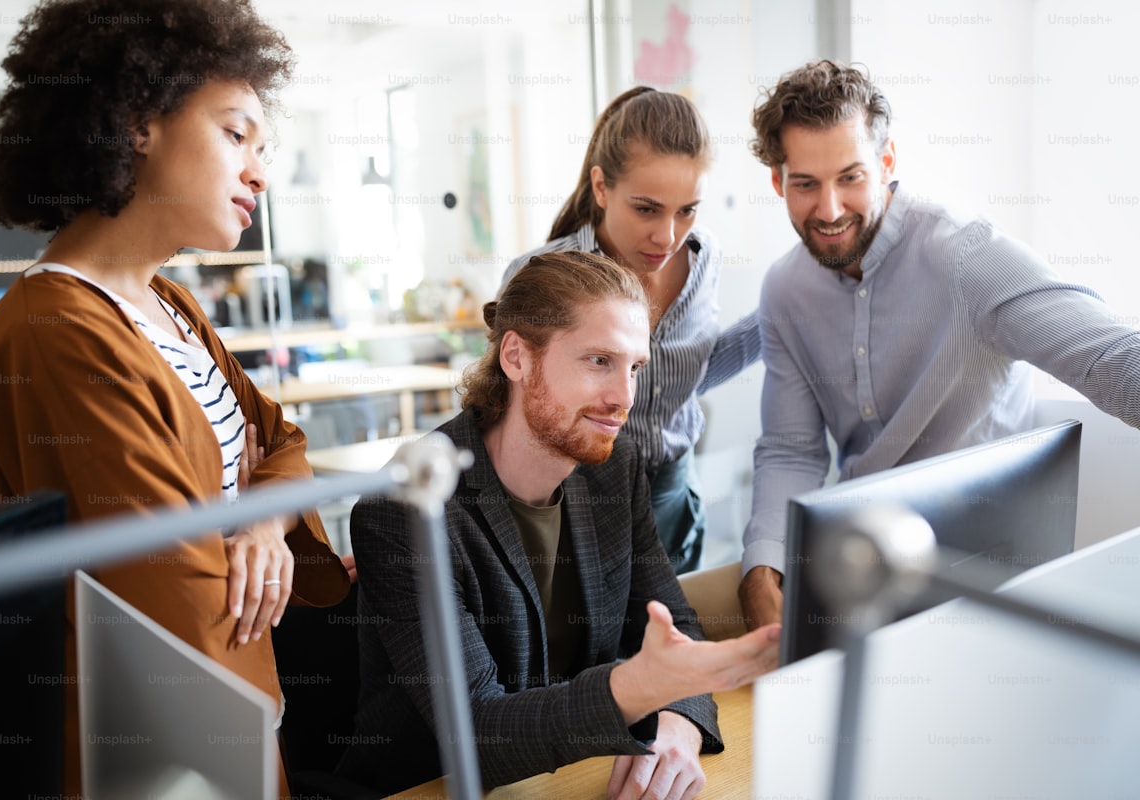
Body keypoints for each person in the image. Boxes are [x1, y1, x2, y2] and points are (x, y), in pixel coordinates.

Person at [0, 0, 350, 794]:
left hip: (227, 719)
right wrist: (241, 509)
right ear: (139, 120)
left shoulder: (169, 304)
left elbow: (281, 441)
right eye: (235, 133)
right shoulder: (55, 329)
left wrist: (266, 521)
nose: (258, 173)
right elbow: (172, 581)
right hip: (158, 750)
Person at [338, 251, 781, 797]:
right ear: (517, 357)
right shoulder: (407, 510)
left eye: (634, 366)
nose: (624, 397)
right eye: (599, 361)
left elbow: (680, 630)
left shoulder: (614, 473)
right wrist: (632, 691)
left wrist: (677, 724)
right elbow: (476, 736)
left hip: (569, 776)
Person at [738, 59, 1140, 629]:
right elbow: (790, 449)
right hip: (860, 576)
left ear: (887, 162)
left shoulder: (967, 257)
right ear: (778, 181)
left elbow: (1109, 357)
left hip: (987, 578)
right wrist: (763, 565)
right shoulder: (784, 291)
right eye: (806, 184)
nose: (828, 211)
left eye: (850, 177)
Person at [500, 87, 761, 574]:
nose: (667, 236)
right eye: (647, 208)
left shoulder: (704, 258)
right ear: (601, 188)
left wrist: (779, 314)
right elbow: (494, 409)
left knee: (675, 637)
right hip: (575, 505)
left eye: (687, 210)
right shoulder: (541, 272)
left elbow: (685, 375)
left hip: (672, 498)